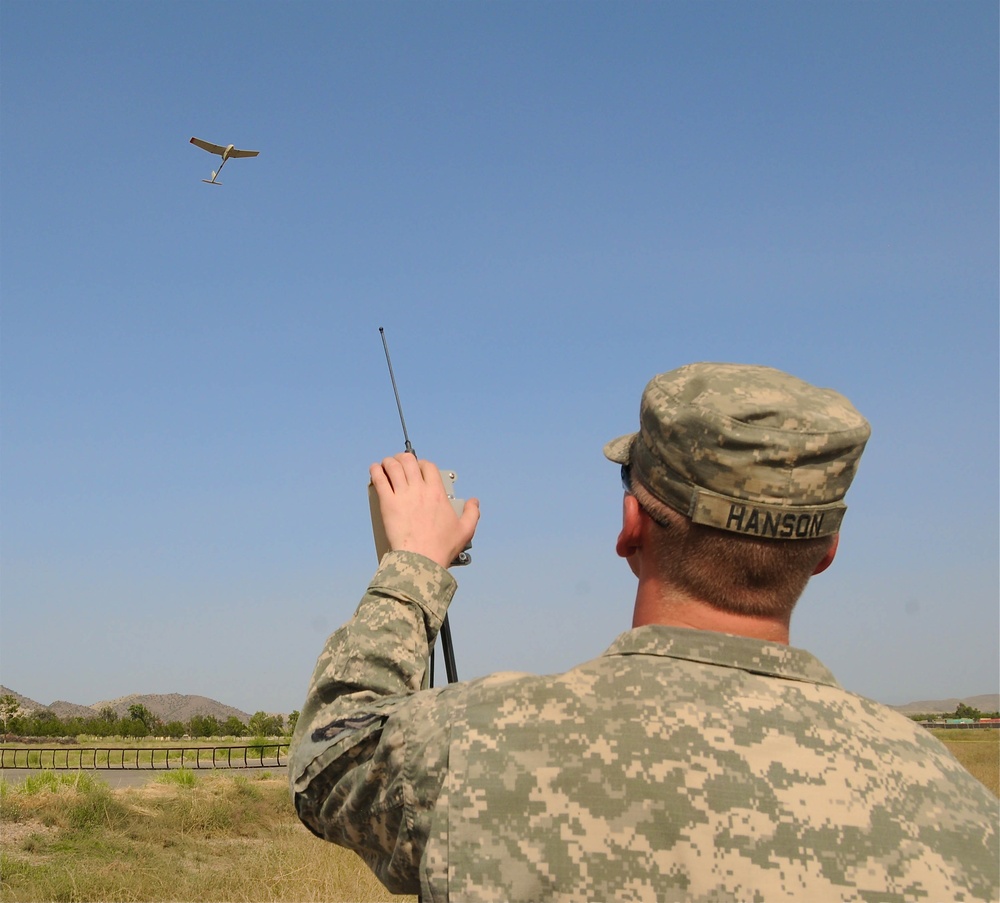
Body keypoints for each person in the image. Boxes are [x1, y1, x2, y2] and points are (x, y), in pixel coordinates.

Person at [289, 362, 999, 902]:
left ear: (632, 527)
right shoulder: (964, 816)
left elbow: (330, 760)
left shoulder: (478, 743)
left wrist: (411, 566)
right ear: (826, 550)